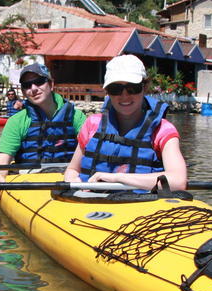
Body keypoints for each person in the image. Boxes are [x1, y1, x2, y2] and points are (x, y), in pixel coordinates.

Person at [64, 54, 187, 192]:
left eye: (132, 88)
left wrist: (117, 178)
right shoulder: (92, 124)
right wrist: (73, 181)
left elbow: (178, 180)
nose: (124, 96)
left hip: (141, 206)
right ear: (107, 92)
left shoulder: (162, 130)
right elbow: (73, 169)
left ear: (144, 87)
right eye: (115, 89)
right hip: (90, 203)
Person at [0, 63, 87, 198]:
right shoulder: (16, 121)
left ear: (51, 85)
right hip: (29, 179)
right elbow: (2, 160)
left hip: (68, 177)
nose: (33, 89)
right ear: (23, 92)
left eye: (39, 82)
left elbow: (93, 151)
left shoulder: (76, 116)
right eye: (27, 85)